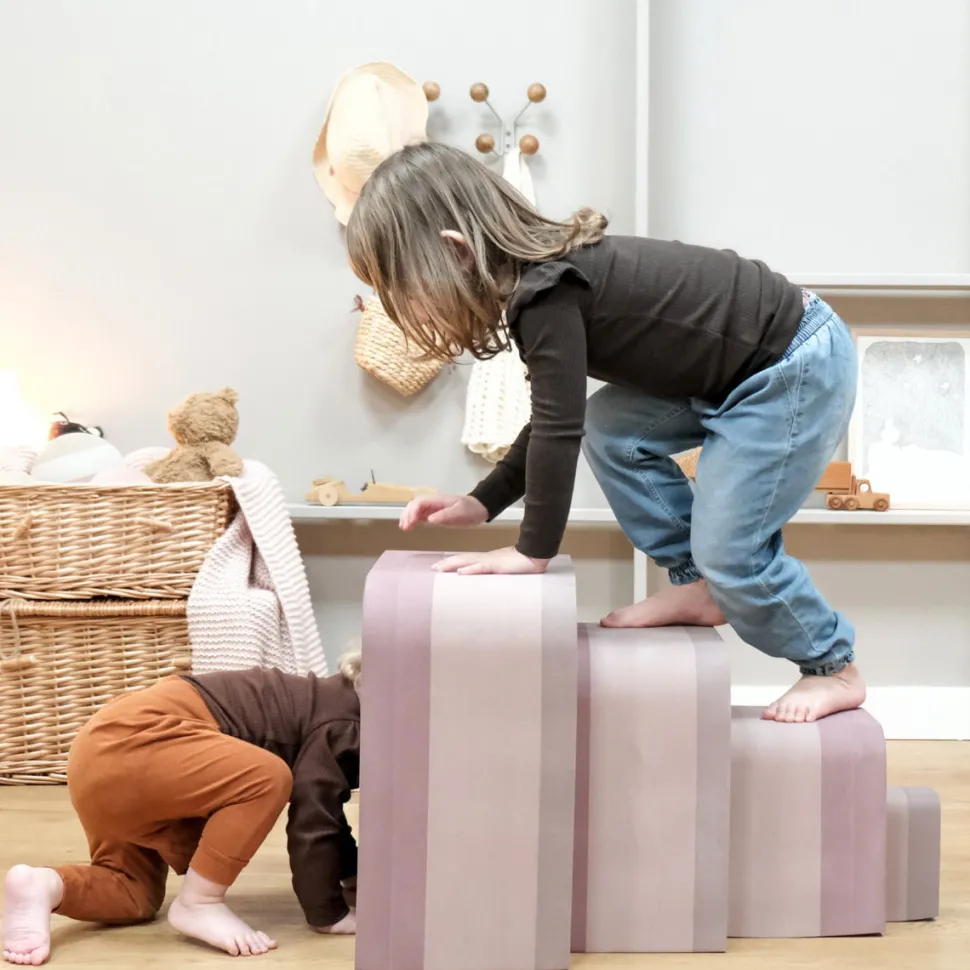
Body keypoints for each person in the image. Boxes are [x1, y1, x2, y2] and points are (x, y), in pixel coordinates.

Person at [345, 141, 863, 726]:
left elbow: (558, 429)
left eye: (406, 288)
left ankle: (832, 666)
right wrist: (483, 501)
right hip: (736, 368)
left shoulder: (547, 291)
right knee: (611, 429)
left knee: (731, 549)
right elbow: (555, 416)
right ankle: (701, 586)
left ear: (455, 252)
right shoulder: (542, 288)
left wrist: (532, 551)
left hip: (792, 362)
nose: (408, 306)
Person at [2, 653, 361, 965]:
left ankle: (42, 885)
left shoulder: (333, 707)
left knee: (133, 894)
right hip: (135, 743)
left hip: (99, 757)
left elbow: (329, 810)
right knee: (267, 777)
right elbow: (314, 819)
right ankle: (200, 902)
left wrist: (353, 874)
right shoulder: (347, 723)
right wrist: (328, 912)